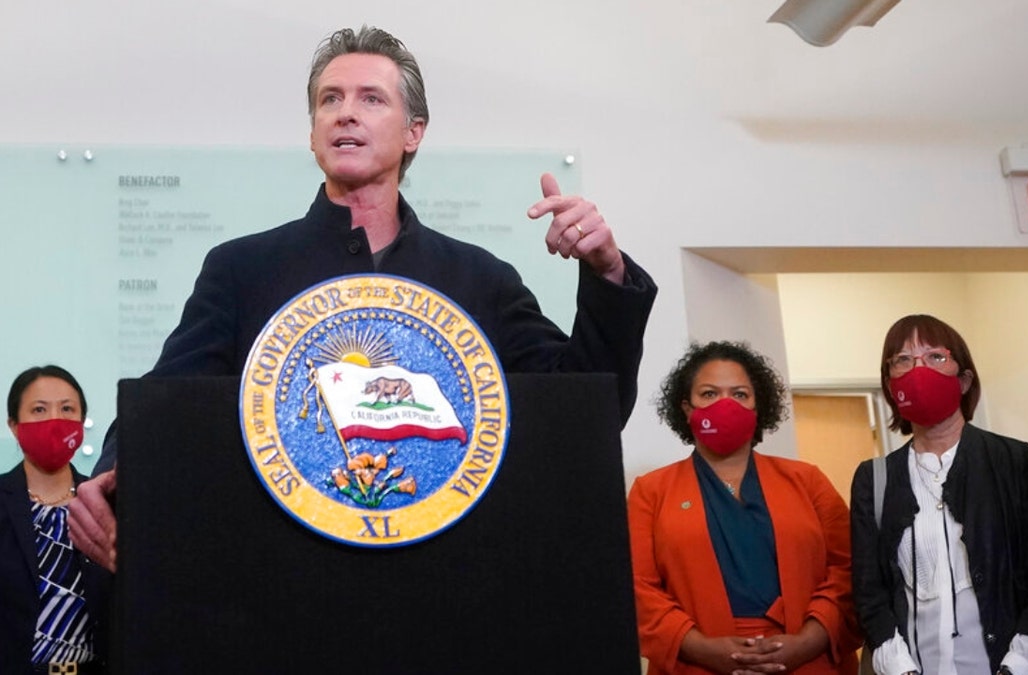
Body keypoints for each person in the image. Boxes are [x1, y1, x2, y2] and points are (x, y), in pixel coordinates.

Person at [67, 25, 657, 572]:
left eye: (371, 98)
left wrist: (607, 273)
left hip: (446, 580)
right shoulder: (243, 269)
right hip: (284, 578)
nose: (345, 112)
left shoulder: (480, 279)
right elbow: (170, 399)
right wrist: (115, 476)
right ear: (313, 132)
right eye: (330, 99)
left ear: (413, 132)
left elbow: (586, 412)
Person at [851, 315, 1028, 675]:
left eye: (935, 356)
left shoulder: (1017, 463)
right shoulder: (873, 478)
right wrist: (900, 668)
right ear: (891, 386)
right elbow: (869, 591)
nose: (917, 369)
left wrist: (1016, 668)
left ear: (965, 379)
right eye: (903, 360)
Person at [628, 341, 860, 675]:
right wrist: (701, 648)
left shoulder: (807, 481)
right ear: (686, 408)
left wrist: (809, 640)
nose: (725, 405)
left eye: (739, 394)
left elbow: (849, 570)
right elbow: (637, 588)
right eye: (709, 394)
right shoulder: (651, 492)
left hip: (808, 660)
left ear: (757, 406)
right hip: (697, 664)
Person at [2, 366, 110, 674]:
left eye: (67, 409)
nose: (54, 421)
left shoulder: (106, 502)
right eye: (39, 409)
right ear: (13, 425)